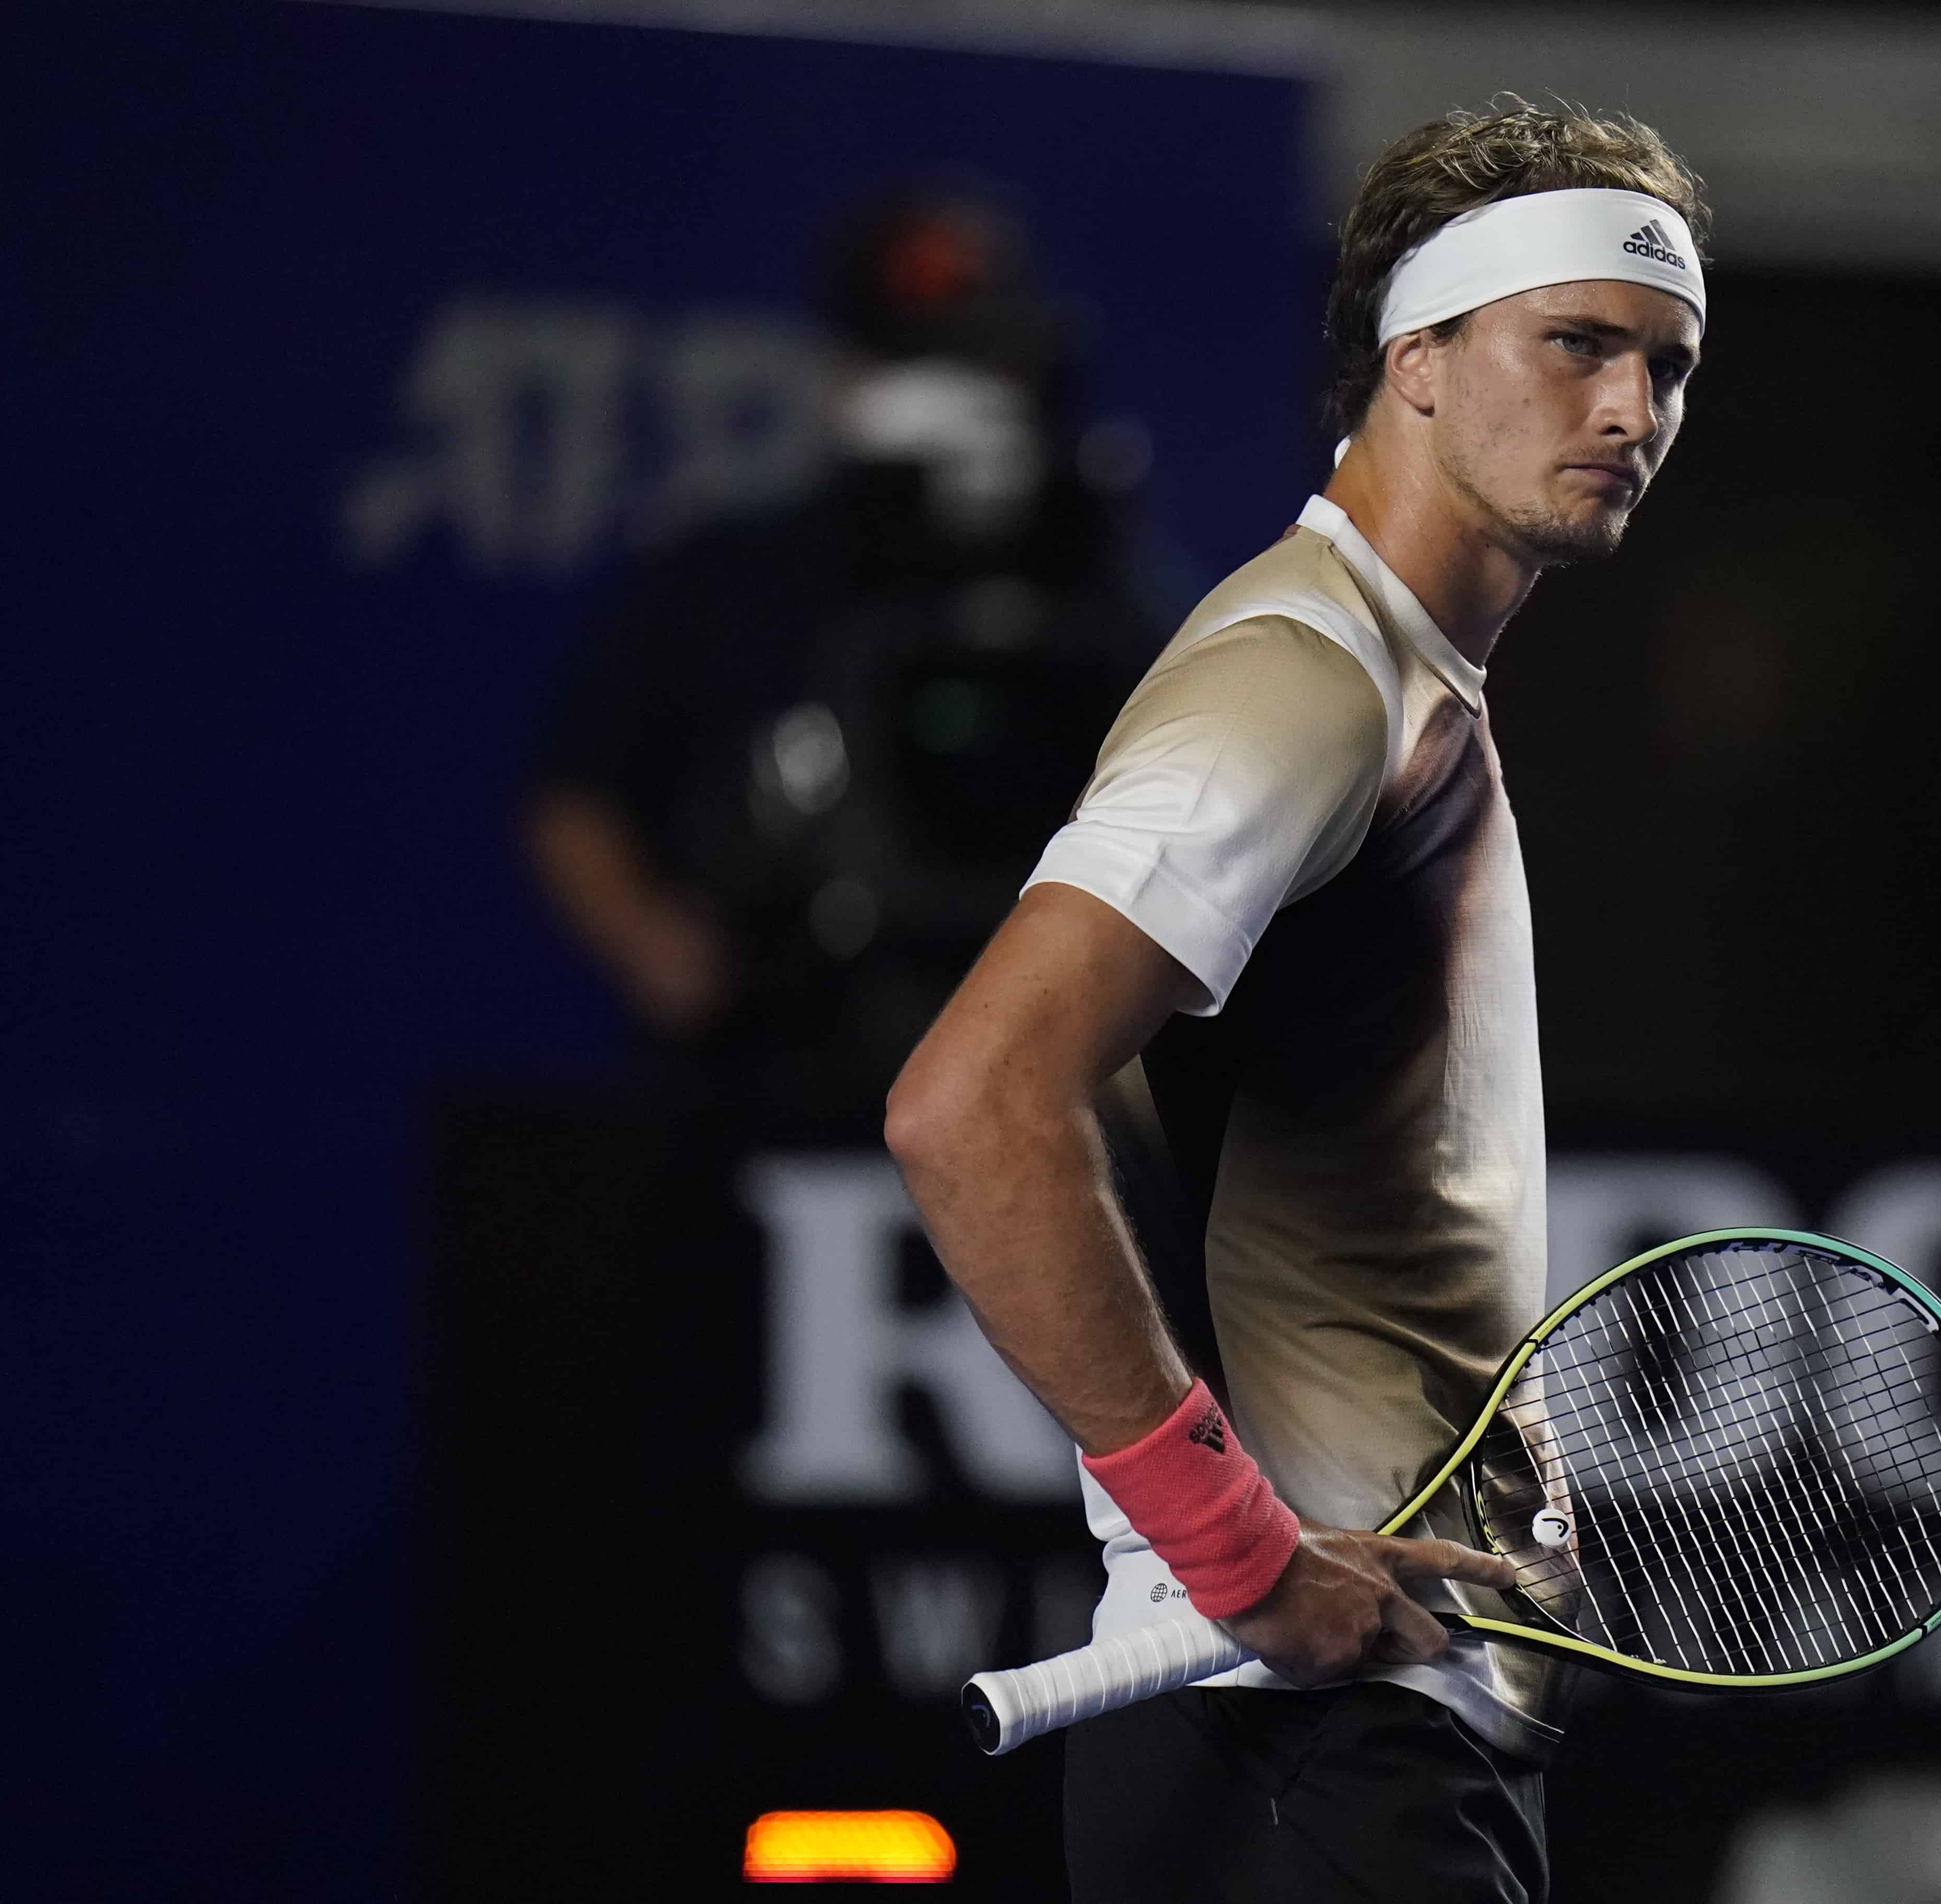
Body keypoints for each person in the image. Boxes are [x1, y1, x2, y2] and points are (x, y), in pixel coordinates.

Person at [881, 101, 1710, 1903]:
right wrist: (1235, 1547)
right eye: (1575, 344)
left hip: (1372, 1733)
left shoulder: (1396, 678)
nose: (1631, 410)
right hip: (1300, 1748)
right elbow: (971, 1106)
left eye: (1664, 362)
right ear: (1417, 353)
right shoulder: (1300, 682)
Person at [527, 190, 1145, 1116]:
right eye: (913, 369)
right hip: (779, 1060)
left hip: (1027, 1057)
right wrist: (659, 946)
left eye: (973, 367)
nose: (945, 406)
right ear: (847, 376)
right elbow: (574, 794)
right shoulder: (732, 577)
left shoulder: (1092, 591)